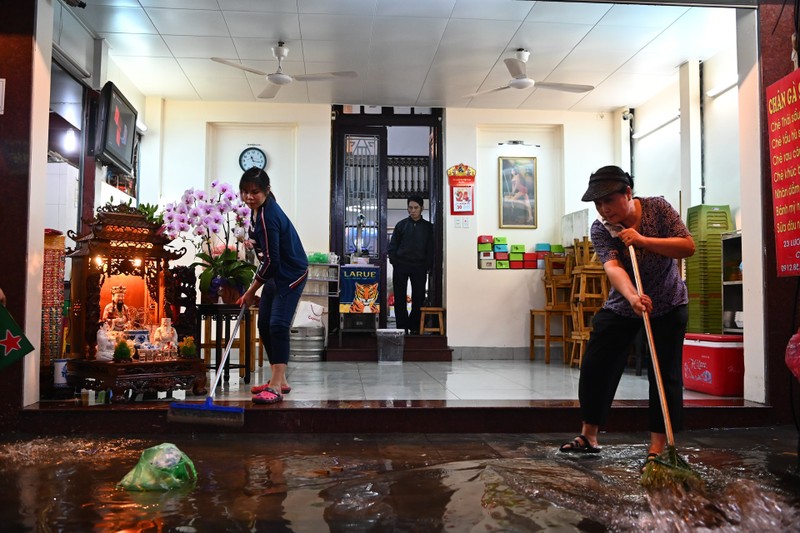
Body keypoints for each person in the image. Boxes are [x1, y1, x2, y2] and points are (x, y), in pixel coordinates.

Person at [558, 165, 695, 468]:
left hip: (669, 303)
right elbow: (613, 267)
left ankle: (659, 447)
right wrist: (633, 296)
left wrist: (643, 240)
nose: (604, 209)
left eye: (609, 200)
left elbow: (687, 246)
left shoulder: (658, 208)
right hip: (625, 303)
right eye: (598, 204)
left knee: (664, 374)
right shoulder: (602, 228)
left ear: (628, 193)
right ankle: (589, 436)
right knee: (596, 366)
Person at [237, 168, 308, 404]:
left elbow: (272, 260)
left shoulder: (268, 216)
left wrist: (250, 291)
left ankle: (276, 385)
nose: (248, 197)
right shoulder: (257, 212)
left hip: (290, 274)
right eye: (245, 192)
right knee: (265, 324)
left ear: (267, 191)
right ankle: (281, 379)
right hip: (275, 274)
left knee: (278, 325)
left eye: (254, 192)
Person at [388, 195, 434, 334]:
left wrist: (427, 265)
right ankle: (401, 327)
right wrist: (394, 261)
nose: (413, 210)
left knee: (418, 297)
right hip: (401, 265)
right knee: (400, 298)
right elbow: (392, 246)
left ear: (422, 208)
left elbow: (431, 249)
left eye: (416, 208)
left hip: (419, 267)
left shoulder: (428, 227)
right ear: (407, 208)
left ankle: (414, 327)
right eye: (410, 208)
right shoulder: (401, 225)